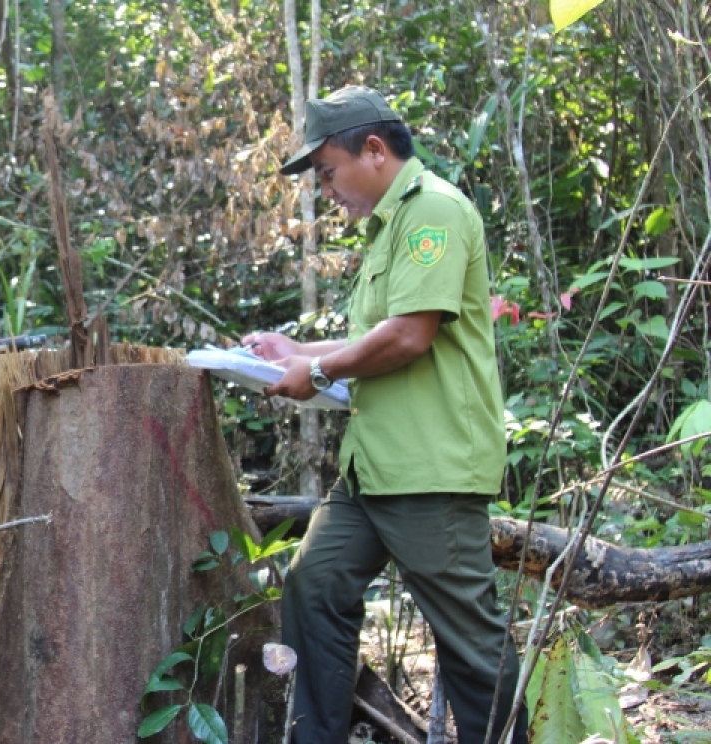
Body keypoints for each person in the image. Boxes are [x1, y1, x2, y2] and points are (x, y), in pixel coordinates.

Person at [243, 87, 528, 744]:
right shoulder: (387, 228)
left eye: (328, 171)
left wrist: (312, 372)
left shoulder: (433, 213)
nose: (328, 189)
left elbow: (408, 337)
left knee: (469, 642)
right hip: (372, 470)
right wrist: (295, 350)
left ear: (373, 151)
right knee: (314, 585)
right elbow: (376, 333)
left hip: (431, 468)